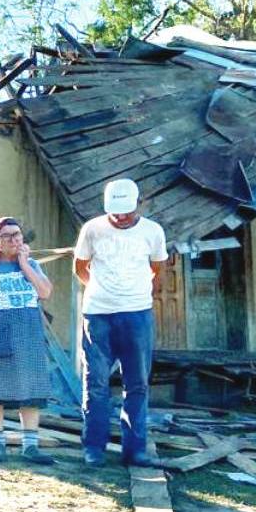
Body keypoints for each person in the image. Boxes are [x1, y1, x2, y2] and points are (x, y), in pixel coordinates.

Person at [73, 178, 168, 468]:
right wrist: (103, 291)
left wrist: (133, 293)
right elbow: (80, 267)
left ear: (139, 205)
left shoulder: (153, 232)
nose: (121, 218)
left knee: (137, 383)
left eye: (126, 212)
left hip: (137, 314)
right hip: (98, 315)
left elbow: (157, 269)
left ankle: (134, 451)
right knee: (96, 382)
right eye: (116, 213)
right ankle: (94, 448)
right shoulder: (92, 229)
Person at [0, 217, 55, 464]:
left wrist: (25, 265)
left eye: (17, 234)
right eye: (7, 236)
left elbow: (45, 293)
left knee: (31, 389)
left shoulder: (32, 265)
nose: (15, 239)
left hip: (29, 336)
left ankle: (30, 446)